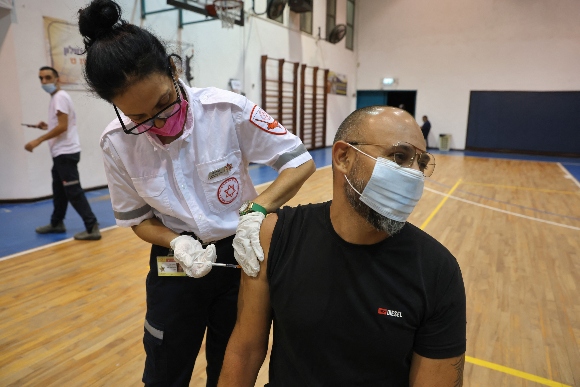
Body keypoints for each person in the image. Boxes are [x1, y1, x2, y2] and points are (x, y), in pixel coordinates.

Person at [77, 1, 315, 386]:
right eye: (138, 118)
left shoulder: (226, 110)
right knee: (164, 362)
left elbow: (300, 162)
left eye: (162, 104)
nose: (157, 123)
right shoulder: (116, 143)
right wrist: (175, 242)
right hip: (176, 259)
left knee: (230, 363)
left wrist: (256, 209)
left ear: (174, 69)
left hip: (238, 254)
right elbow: (137, 220)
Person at [219, 106, 466, 386]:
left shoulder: (437, 271)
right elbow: (245, 350)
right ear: (343, 157)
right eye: (399, 157)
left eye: (420, 163)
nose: (414, 175)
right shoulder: (275, 236)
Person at [24, 66, 101, 241]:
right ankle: (57, 223)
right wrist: (45, 126)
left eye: (48, 78)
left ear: (57, 79)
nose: (44, 82)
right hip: (61, 154)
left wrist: (38, 140)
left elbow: (63, 126)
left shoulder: (59, 97)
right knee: (59, 191)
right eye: (41, 78)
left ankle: (92, 227)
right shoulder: (57, 98)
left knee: (73, 191)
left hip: (66, 153)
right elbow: (60, 124)